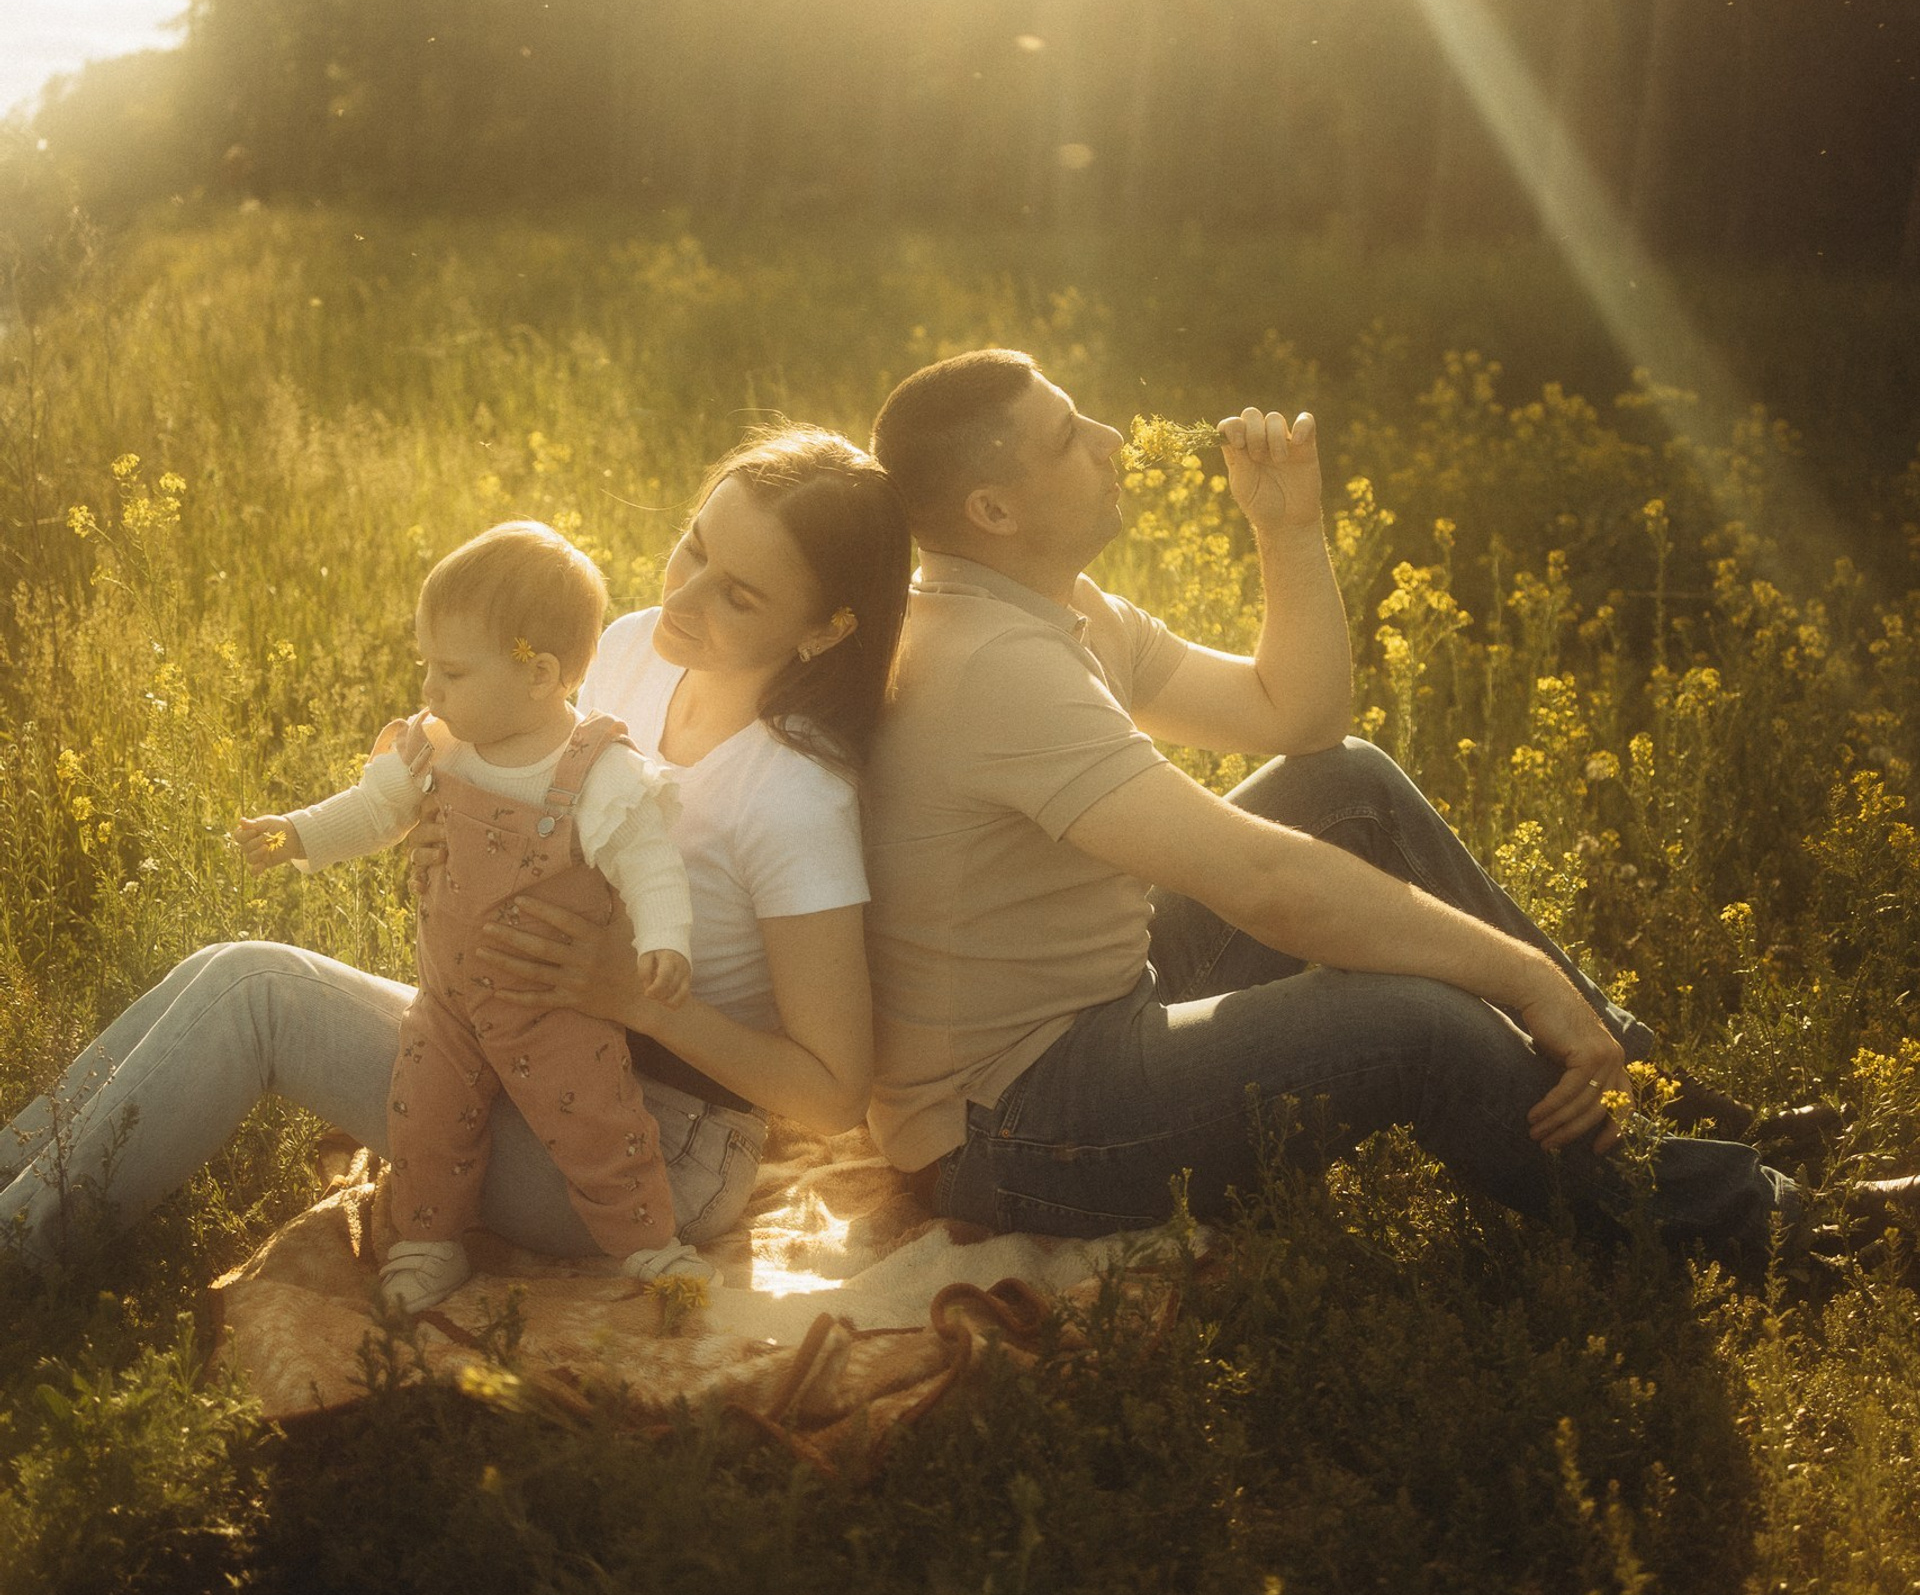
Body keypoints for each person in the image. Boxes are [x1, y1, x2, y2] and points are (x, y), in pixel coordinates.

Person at [863, 348, 1914, 1267]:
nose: (1109, 438)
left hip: (1105, 1002)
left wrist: (1289, 529)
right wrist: (1523, 977)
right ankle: (1796, 1231)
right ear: (993, 512)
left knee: (1347, 785)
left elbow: (1300, 715)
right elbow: (1265, 883)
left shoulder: (1056, 606)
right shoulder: (992, 665)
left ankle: (1659, 1102)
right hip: (1015, 1124)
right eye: (1065, 437)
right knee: (1420, 1024)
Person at [1, 427, 911, 1279]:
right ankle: (16, 1175)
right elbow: (525, 777)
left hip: (655, 1145)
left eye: (737, 595)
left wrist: (636, 998)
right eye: (695, 546)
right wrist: (448, 816)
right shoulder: (635, 647)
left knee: (259, 997)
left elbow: (834, 1095)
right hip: (510, 1039)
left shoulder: (796, 795)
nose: (683, 596)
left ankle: (16, 1248)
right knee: (230, 966)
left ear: (826, 630)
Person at [235, 520, 702, 1313]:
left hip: (552, 1007)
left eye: (450, 672)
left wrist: (664, 938)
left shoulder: (597, 772)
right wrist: (298, 833)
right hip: (449, 1002)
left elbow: (649, 862)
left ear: (540, 674)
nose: (429, 690)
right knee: (424, 1117)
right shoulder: (440, 745)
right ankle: (429, 1242)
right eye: (427, 666)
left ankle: (651, 1245)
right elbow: (375, 810)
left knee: (599, 1124)